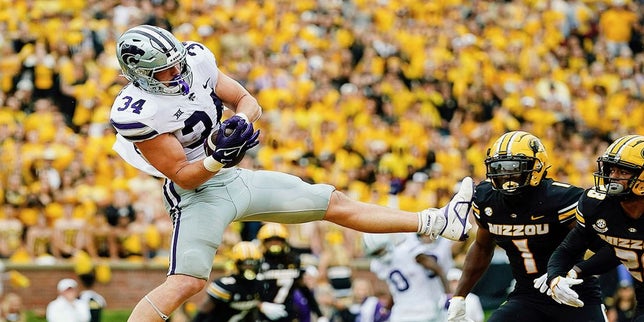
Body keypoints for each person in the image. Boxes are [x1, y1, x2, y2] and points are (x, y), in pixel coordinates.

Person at [109, 24, 474, 322]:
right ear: (138, 75)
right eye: (164, 71)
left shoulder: (196, 58)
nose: (177, 73)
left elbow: (247, 101)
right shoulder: (138, 111)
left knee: (334, 201)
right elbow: (184, 175)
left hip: (234, 179)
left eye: (176, 63)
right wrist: (217, 157)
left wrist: (239, 123)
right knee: (187, 283)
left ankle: (438, 221)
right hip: (196, 194)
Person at [446, 131, 606, 322]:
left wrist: (572, 271)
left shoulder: (560, 199)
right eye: (500, 168)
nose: (506, 176)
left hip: (573, 293)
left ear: (536, 167)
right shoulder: (487, 200)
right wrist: (459, 296)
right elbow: (482, 247)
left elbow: (604, 246)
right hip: (527, 295)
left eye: (513, 168)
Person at [544, 135, 644, 320]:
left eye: (623, 172)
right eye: (611, 170)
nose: (613, 177)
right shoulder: (598, 205)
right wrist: (557, 277)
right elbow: (570, 248)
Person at [362, 232, 451, 322]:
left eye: (381, 250)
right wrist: (386, 309)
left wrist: (448, 294)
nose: (380, 254)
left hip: (423, 310)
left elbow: (438, 269)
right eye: (376, 253)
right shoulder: (378, 265)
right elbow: (394, 291)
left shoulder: (408, 250)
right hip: (401, 313)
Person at [192, 241, 286, 322]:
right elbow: (203, 312)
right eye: (245, 265)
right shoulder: (225, 285)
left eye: (253, 264)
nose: (250, 268)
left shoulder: (259, 283)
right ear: (236, 264)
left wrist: (260, 305)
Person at [256, 223, 324, 322]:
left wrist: (320, 315)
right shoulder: (257, 261)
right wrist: (260, 305)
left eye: (278, 240)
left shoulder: (292, 261)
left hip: (288, 314)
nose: (275, 244)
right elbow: (246, 290)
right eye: (270, 241)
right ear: (263, 242)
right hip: (262, 315)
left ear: (285, 242)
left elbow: (304, 289)